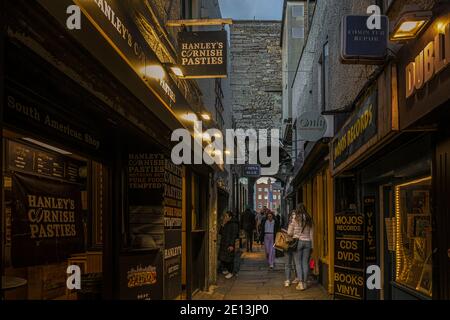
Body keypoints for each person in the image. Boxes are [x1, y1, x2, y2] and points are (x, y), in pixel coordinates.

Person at [286, 204, 314, 290]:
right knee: (305, 263)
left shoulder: (295, 219)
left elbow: (289, 233)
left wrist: (292, 231)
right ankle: (305, 283)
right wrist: (312, 245)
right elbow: (311, 233)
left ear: (297, 210)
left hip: (298, 242)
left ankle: (301, 283)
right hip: (308, 242)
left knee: (298, 263)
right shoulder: (309, 219)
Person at [219, 211, 239, 279]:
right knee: (224, 258)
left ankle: (231, 272)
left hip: (229, 243)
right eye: (225, 216)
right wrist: (223, 225)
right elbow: (221, 233)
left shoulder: (234, 224)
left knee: (230, 259)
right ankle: (226, 270)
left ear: (230, 217)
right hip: (224, 243)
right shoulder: (226, 223)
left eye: (226, 216)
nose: (225, 218)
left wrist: (231, 245)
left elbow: (233, 235)